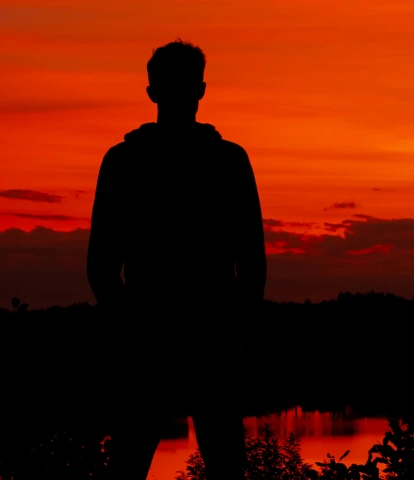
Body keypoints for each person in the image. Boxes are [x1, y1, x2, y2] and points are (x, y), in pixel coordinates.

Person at [86, 38, 267, 479]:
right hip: (201, 341)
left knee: (132, 463)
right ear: (201, 90)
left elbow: (101, 267)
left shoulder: (123, 161)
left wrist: (129, 326)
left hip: (159, 340)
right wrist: (234, 330)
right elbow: (253, 266)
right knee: (222, 465)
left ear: (152, 91)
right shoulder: (228, 162)